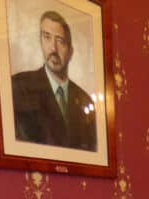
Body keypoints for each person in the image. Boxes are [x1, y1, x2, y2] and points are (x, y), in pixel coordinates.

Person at [11, 11, 97, 151]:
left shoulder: (85, 100)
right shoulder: (19, 86)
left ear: (70, 52)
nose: (53, 48)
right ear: (40, 41)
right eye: (47, 37)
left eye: (60, 41)